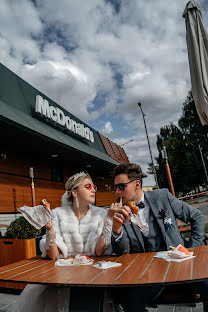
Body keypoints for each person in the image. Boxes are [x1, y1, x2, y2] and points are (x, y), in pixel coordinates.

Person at [10, 172, 115, 312]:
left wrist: (109, 220)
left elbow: (99, 251)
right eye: (88, 186)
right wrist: (50, 229)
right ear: (75, 192)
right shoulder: (57, 214)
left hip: (94, 277)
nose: (93, 190)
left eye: (94, 187)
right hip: (61, 277)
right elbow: (53, 255)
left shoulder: (102, 214)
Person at [110, 163, 206, 312]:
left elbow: (197, 217)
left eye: (121, 186)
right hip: (150, 275)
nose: (117, 191)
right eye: (115, 187)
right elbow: (121, 251)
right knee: (129, 302)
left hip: (182, 266)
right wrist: (116, 228)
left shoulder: (161, 196)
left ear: (137, 184)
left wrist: (193, 248)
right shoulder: (121, 211)